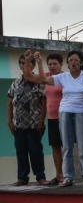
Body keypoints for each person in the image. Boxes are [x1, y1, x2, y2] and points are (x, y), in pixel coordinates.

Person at [24, 50, 83, 187]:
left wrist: (82, 105)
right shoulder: (63, 77)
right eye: (71, 60)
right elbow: (42, 79)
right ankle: (68, 177)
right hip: (64, 112)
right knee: (67, 147)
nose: (73, 62)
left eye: (76, 60)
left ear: (81, 63)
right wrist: (39, 62)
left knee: (82, 147)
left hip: (81, 113)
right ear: (68, 64)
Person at [7, 54, 49, 186]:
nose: (23, 66)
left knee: (36, 151)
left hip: (34, 124)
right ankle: (22, 177)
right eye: (21, 63)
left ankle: (40, 176)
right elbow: (9, 103)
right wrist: (9, 121)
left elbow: (44, 103)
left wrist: (42, 121)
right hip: (19, 125)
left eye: (26, 63)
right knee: (21, 151)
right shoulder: (15, 83)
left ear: (32, 66)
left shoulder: (39, 82)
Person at [44, 53, 64, 185]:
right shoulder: (46, 77)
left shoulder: (66, 77)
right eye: (50, 64)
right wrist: (35, 61)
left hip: (65, 117)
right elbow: (30, 76)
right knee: (55, 146)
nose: (52, 66)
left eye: (54, 64)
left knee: (67, 146)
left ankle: (70, 174)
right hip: (51, 118)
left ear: (61, 64)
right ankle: (59, 175)